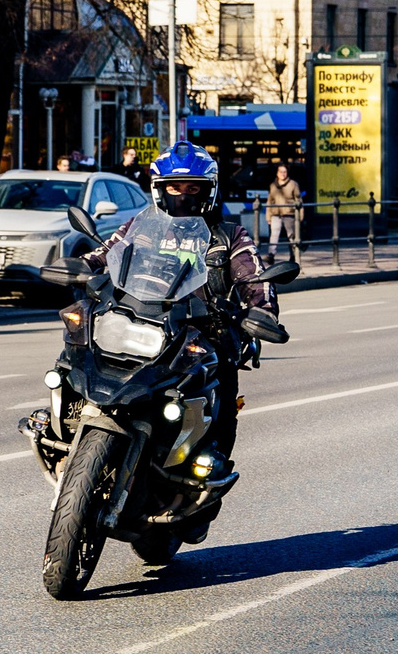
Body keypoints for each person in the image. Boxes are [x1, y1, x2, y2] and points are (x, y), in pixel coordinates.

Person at [86, 141, 276, 482]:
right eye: (174, 187)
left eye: (194, 188)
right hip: (142, 325)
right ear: (160, 191)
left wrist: (261, 310)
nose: (183, 195)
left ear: (209, 191)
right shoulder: (138, 228)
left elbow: (253, 277)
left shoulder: (229, 235)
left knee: (219, 407)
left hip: (203, 339)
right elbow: (104, 255)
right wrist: (78, 266)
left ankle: (204, 476)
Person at [265, 162, 303, 260]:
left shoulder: (293, 184)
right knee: (274, 234)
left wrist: (301, 215)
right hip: (276, 214)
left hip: (289, 213)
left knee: (291, 236)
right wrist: (268, 216)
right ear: (277, 173)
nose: (283, 174)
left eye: (285, 172)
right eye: (281, 172)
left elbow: (299, 200)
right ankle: (271, 255)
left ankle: (294, 255)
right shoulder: (273, 185)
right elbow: (269, 201)